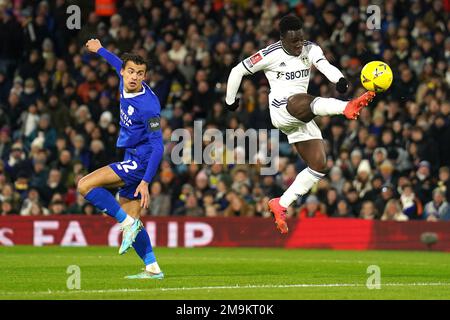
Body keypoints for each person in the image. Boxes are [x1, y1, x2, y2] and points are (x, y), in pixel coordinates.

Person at [225, 15, 376, 233]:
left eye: (300, 38)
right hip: (282, 108)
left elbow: (325, 65)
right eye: (293, 41)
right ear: (282, 39)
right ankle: (346, 107)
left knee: (319, 165)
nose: (298, 44)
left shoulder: (310, 48)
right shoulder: (270, 53)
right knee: (300, 99)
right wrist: (231, 101)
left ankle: (281, 204)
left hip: (303, 111)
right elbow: (237, 70)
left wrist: (340, 80)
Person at [78, 39, 164, 279]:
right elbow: (116, 62)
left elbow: (158, 146)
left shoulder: (148, 106)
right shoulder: (122, 76)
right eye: (131, 72)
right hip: (131, 153)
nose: (134, 77)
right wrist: (99, 49)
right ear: (124, 73)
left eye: (140, 73)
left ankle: (127, 223)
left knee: (84, 185)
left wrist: (146, 180)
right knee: (132, 219)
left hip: (141, 161)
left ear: (145, 77)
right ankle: (153, 268)